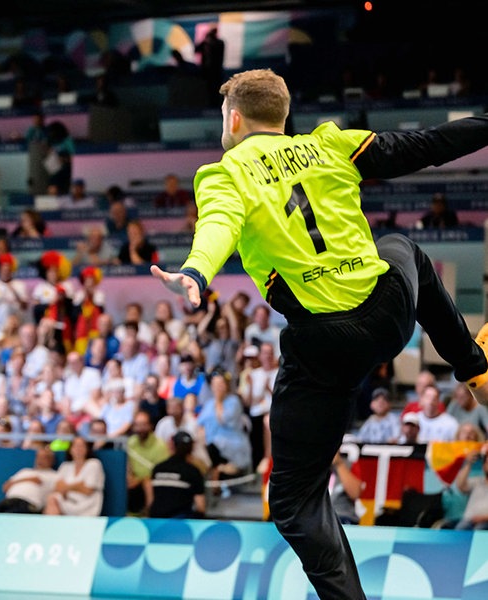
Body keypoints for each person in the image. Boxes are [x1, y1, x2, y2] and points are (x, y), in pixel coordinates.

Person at [150, 68, 488, 599]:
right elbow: (427, 145)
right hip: (389, 310)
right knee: (404, 248)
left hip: (324, 345)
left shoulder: (224, 173)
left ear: (233, 118)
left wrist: (195, 273)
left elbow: (216, 226)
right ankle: (475, 369)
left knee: (292, 499)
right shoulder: (331, 145)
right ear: (282, 117)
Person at [146, 431, 206, 518]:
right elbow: (200, 507)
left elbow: (150, 503)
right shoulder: (193, 472)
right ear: (191, 448)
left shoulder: (157, 469)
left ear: (172, 446)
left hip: (157, 522)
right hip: (180, 524)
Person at [43, 435, 105, 516]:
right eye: (75, 446)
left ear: (87, 449)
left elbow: (88, 490)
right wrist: (78, 485)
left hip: (87, 505)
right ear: (70, 449)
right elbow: (58, 488)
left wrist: (66, 487)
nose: (78, 449)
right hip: (68, 502)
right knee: (52, 498)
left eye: (81, 446)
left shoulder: (94, 464)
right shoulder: (65, 466)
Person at [0, 446, 59, 513]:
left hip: (30, 503)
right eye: (39, 457)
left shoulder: (54, 475)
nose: (40, 460)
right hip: (9, 500)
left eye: (45, 457)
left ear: (51, 460)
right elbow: (5, 487)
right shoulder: (25, 471)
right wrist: (29, 479)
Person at [454, 444, 488, 530]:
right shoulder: (476, 481)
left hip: (485, 522)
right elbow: (460, 486)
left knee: (479, 529)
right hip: (468, 521)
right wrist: (468, 464)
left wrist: (484, 518)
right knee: (460, 529)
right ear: (484, 466)